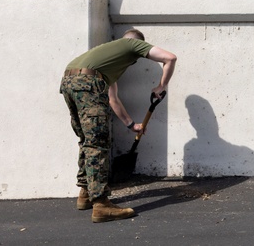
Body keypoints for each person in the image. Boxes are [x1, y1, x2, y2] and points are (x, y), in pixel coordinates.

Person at [60, 29, 177, 223]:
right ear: (137, 46)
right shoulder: (131, 44)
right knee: (98, 143)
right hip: (88, 83)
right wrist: (161, 86)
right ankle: (101, 205)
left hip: (69, 81)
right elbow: (170, 58)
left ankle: (86, 193)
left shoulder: (106, 58)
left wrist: (132, 125)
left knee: (88, 140)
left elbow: (113, 99)